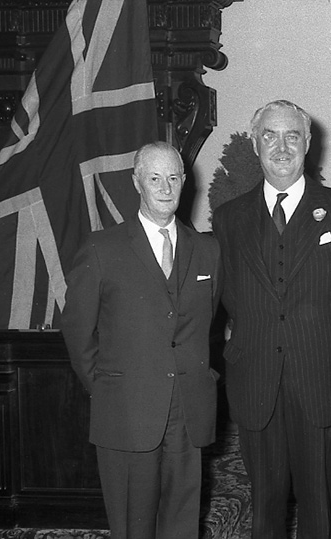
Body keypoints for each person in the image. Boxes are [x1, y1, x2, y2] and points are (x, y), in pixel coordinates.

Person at [211, 100, 331, 539]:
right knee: (264, 504)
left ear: (307, 143)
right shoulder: (229, 219)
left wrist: (315, 329)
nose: (281, 147)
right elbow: (229, 294)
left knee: (318, 501)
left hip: (319, 375)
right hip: (255, 377)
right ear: (256, 144)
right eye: (270, 136)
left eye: (292, 136)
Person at [61, 141, 222, 539]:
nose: (165, 188)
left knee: (182, 525)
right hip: (127, 416)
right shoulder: (102, 248)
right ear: (137, 182)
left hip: (188, 413)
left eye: (173, 177)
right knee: (134, 528)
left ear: (185, 181)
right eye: (154, 178)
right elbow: (77, 332)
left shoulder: (208, 250)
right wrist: (108, 388)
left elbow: (207, 321)